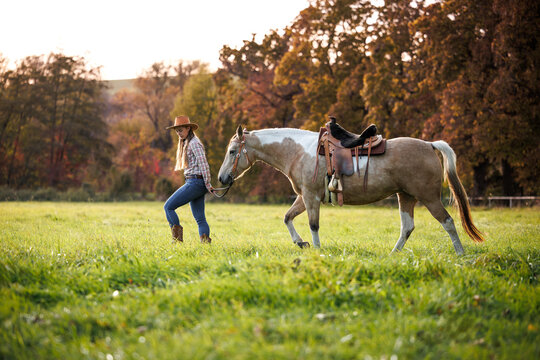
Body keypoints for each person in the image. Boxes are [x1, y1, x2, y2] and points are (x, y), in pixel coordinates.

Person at [164, 115, 213, 244]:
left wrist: (208, 183)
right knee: (200, 219)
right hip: (195, 183)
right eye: (177, 131)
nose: (178, 133)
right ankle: (205, 245)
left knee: (168, 207)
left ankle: (177, 241)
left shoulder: (194, 143)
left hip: (195, 183)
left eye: (180, 130)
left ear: (188, 128)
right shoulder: (187, 143)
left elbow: (204, 164)